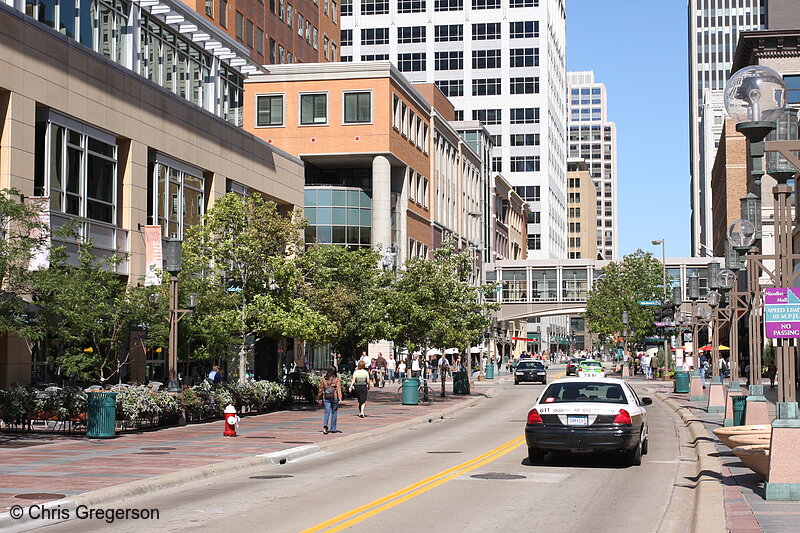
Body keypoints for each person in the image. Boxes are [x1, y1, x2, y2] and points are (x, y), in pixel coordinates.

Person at [318, 366, 342, 434]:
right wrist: (340, 398)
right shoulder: (336, 379)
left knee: (326, 412)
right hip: (334, 397)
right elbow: (339, 389)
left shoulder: (324, 379)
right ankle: (333, 428)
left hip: (326, 397)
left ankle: (325, 426)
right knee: (334, 412)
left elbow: (320, 389)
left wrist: (319, 398)